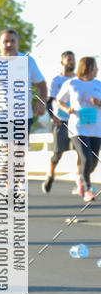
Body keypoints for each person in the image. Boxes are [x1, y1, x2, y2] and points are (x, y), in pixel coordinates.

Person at [0, 30, 47, 135]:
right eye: (6, 41)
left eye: (12, 41)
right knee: (6, 150)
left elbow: (42, 85)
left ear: (17, 43)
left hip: (23, 117)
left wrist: (42, 101)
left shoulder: (28, 61)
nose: (9, 44)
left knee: (19, 151)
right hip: (1, 117)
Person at [56, 57, 101, 203]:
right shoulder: (72, 83)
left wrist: (99, 102)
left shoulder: (98, 84)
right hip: (78, 127)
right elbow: (59, 100)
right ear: (86, 67)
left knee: (93, 161)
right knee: (86, 158)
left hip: (95, 128)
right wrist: (66, 109)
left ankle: (81, 177)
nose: (96, 69)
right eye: (94, 66)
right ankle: (88, 189)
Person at [42, 50, 77, 194]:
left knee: (81, 153)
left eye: (73, 59)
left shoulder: (78, 80)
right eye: (68, 59)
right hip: (60, 121)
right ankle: (50, 174)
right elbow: (49, 102)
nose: (71, 62)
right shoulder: (56, 80)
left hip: (76, 121)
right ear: (62, 62)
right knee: (58, 153)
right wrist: (53, 117)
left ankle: (79, 182)